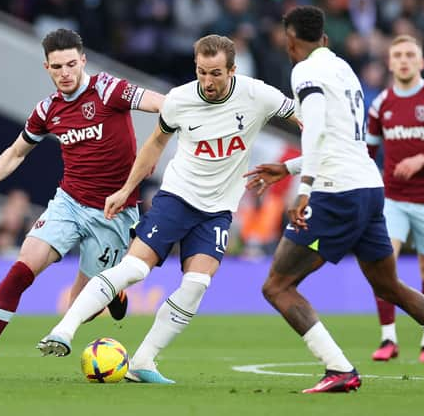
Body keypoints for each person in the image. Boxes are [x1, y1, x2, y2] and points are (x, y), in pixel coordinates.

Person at [244, 5, 424, 393]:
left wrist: (304, 186)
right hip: (370, 189)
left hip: (335, 191)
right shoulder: (344, 70)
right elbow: (341, 140)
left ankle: (339, 368)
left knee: (277, 285)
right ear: (325, 39)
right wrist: (288, 170)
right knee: (389, 285)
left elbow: (318, 132)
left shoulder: (305, 70)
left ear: (291, 41)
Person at [37, 34, 298, 384]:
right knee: (133, 269)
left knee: (197, 284)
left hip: (218, 209)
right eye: (202, 72)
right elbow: (156, 143)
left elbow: (301, 116)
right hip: (176, 197)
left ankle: (144, 361)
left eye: (216, 73)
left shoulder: (258, 95)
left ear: (233, 70)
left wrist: (314, 148)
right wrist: (126, 189)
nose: (208, 81)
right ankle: (64, 330)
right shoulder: (180, 100)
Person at [0, 28, 165, 381]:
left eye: (70, 64)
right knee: (22, 269)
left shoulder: (108, 89)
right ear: (46, 68)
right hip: (69, 203)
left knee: (74, 308)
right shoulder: (47, 110)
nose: (64, 73)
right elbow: (17, 151)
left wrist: (163, 137)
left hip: (114, 212)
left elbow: (160, 103)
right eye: (56, 67)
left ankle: (117, 296)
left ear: (82, 61)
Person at [365, 34, 424, 363]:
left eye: (410, 54)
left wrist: (421, 160)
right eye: (398, 55)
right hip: (393, 199)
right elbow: (368, 151)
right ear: (390, 63)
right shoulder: (380, 104)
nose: (404, 60)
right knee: (383, 263)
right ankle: (388, 338)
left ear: (421, 62)